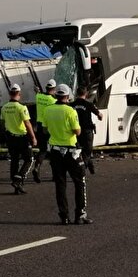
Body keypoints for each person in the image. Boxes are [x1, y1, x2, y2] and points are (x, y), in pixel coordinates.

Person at [41, 84, 90, 225]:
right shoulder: (70, 111)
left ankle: (64, 216)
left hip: (56, 152)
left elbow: (44, 130)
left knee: (60, 185)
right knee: (79, 182)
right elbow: (77, 131)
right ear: (68, 96)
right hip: (71, 152)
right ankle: (80, 214)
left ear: (56, 95)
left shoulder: (48, 110)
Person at [0, 84, 36, 194]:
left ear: (10, 94)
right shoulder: (21, 107)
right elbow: (27, 123)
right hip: (22, 137)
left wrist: (6, 134)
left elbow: (2, 123)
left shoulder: (4, 107)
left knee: (14, 161)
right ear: (19, 94)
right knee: (29, 159)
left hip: (11, 138)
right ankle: (19, 178)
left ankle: (17, 186)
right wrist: (33, 137)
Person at [71, 86, 103, 175]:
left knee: (79, 151)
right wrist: (100, 117)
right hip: (87, 131)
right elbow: (100, 115)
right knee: (87, 152)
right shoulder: (89, 104)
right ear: (86, 93)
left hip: (76, 131)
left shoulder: (72, 104)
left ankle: (91, 168)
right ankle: (81, 170)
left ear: (77, 93)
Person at [30, 79, 57, 183]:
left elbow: (38, 93)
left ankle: (37, 167)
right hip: (49, 126)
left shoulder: (38, 97)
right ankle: (55, 175)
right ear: (54, 89)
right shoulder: (53, 101)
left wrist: (37, 91)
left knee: (43, 149)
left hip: (39, 125)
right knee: (54, 151)